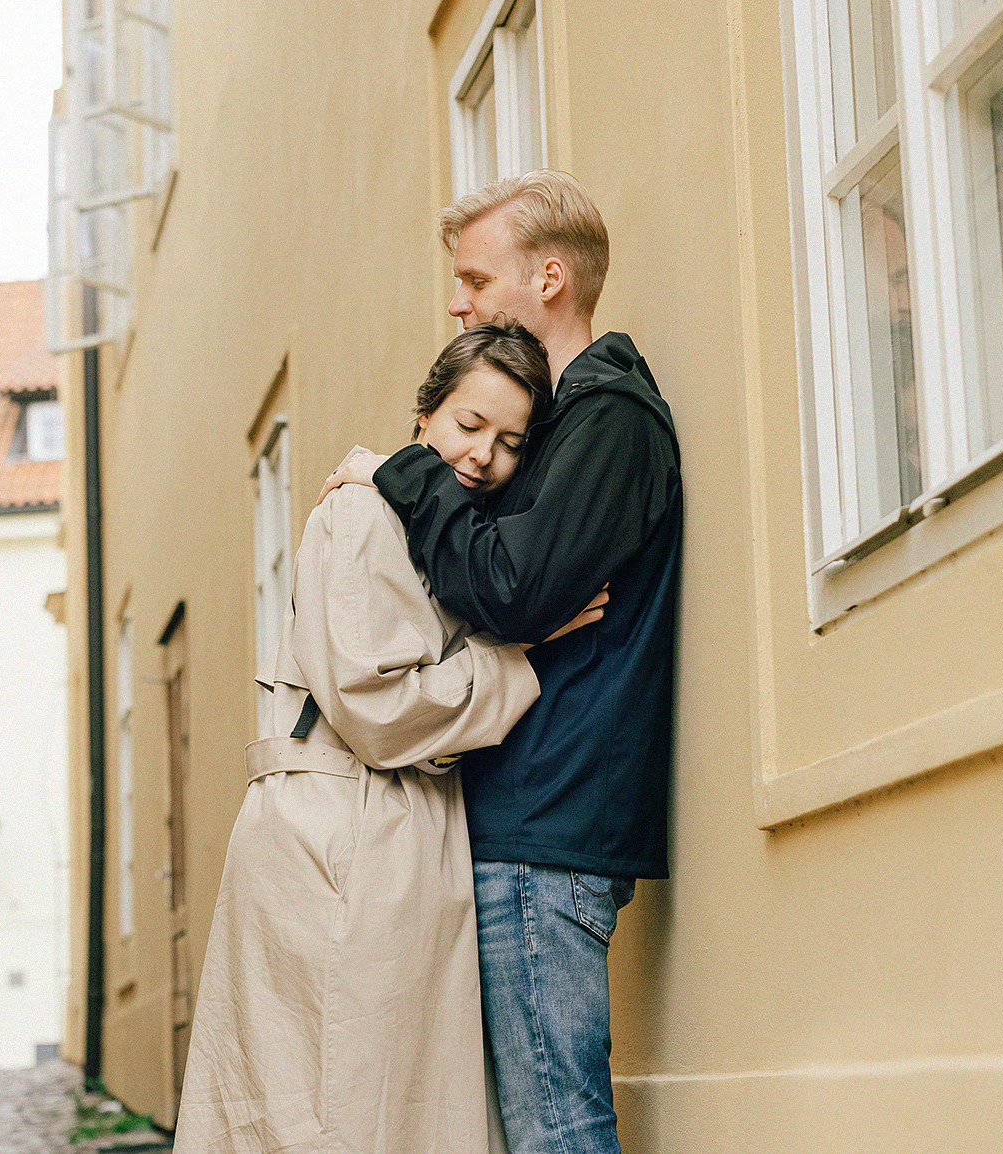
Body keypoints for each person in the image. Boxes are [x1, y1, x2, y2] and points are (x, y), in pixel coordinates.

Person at [173, 324, 608, 1154]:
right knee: (336, 1105)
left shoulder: (435, 526)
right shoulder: (365, 513)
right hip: (340, 831)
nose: (483, 456)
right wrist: (519, 653)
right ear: (424, 415)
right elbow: (378, 711)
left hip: (382, 829)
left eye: (512, 442)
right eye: (468, 425)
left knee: (371, 1100)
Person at [323, 169, 682, 1154]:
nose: (458, 301)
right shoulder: (556, 427)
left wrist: (394, 471)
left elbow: (508, 591)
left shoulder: (608, 417)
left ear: (550, 279)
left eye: (476, 279)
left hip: (545, 835)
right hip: (524, 826)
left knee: (554, 1133)